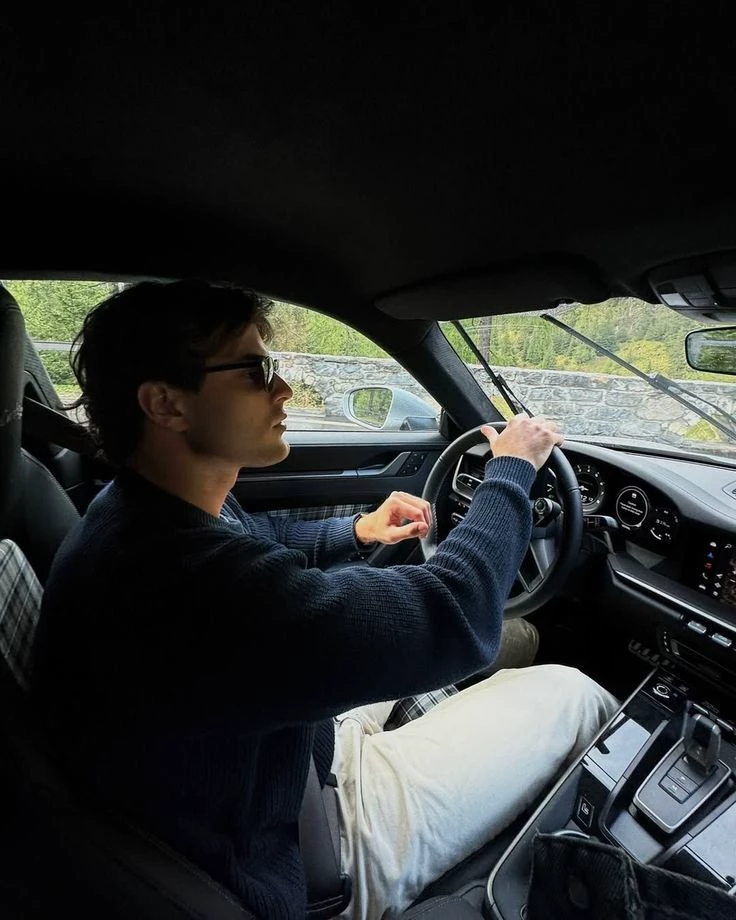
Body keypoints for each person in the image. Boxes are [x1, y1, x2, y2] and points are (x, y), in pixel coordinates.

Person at [30, 280, 618, 920]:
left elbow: (261, 544)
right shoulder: (194, 587)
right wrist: (511, 470)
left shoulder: (139, 511)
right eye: (256, 372)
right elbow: (457, 609)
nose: (283, 389)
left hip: (284, 754)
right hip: (315, 845)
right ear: (166, 403)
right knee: (572, 691)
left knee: (519, 639)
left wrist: (357, 531)